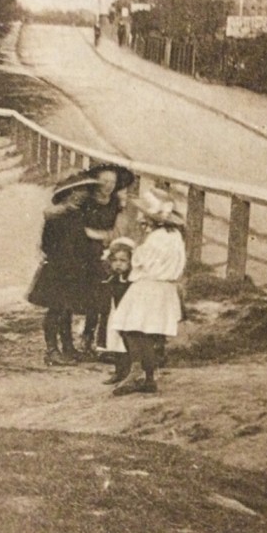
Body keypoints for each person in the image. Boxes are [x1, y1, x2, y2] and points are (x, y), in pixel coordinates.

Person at [109, 188, 186, 396]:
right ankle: (149, 378)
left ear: (153, 220)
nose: (141, 217)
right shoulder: (175, 236)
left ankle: (137, 373)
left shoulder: (155, 239)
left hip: (149, 287)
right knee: (145, 332)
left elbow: (138, 262)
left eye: (144, 215)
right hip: (165, 288)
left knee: (133, 330)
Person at [26, 171, 100, 366]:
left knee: (67, 309)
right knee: (56, 309)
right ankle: (52, 350)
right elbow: (47, 245)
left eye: (85, 191)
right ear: (69, 193)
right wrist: (66, 259)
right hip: (58, 269)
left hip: (73, 268)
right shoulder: (56, 216)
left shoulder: (79, 215)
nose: (83, 194)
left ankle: (68, 347)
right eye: (79, 190)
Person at [77, 163, 135, 357]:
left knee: (106, 299)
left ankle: (106, 341)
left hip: (110, 253)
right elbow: (80, 229)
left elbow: (120, 230)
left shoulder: (116, 204)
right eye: (104, 181)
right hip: (88, 253)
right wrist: (98, 235)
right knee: (92, 298)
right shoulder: (87, 202)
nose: (108, 185)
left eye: (113, 181)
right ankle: (86, 337)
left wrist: (112, 236)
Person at [97, 237, 135, 384]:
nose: (118, 264)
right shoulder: (112, 278)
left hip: (127, 315)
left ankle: (128, 372)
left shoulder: (132, 281)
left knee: (126, 342)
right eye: (115, 260)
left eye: (123, 260)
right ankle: (119, 371)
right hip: (114, 314)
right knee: (114, 341)